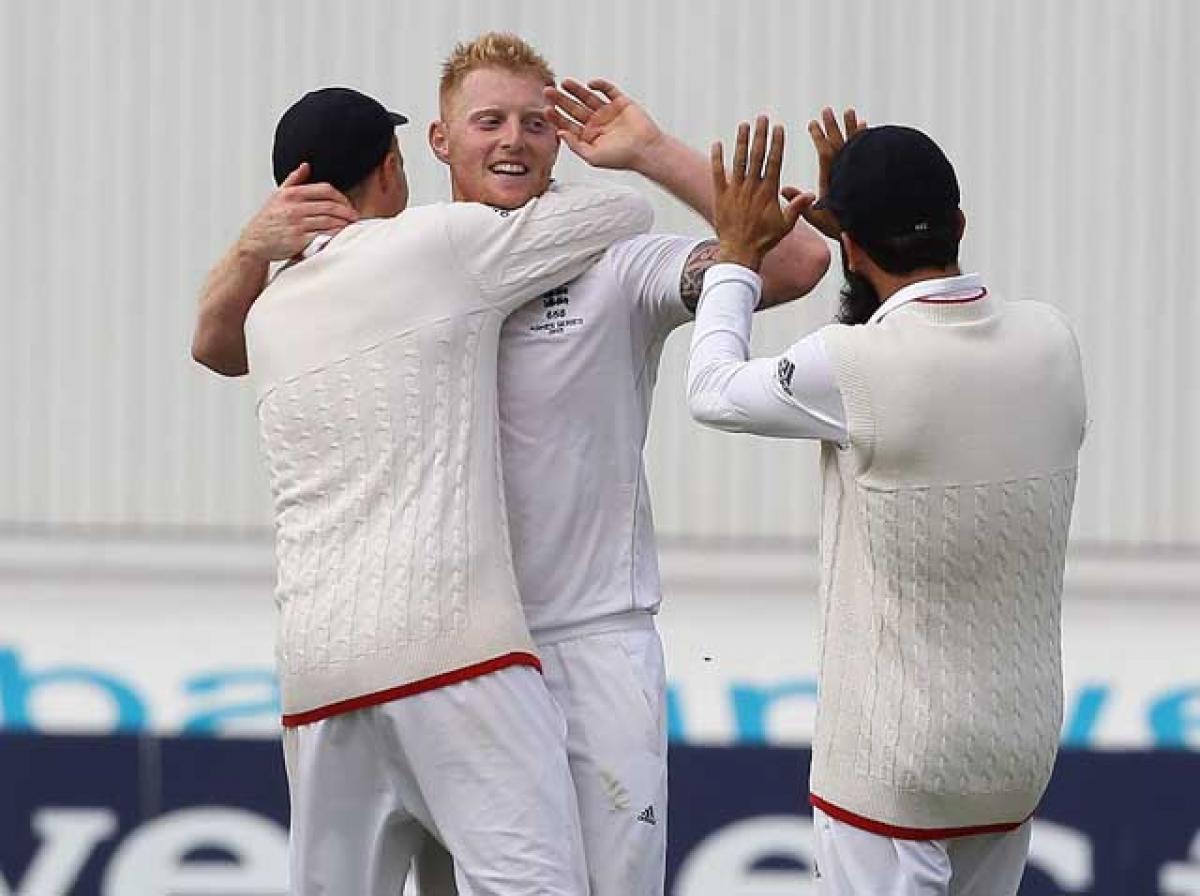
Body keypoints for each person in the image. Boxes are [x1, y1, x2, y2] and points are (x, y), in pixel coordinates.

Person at [193, 33, 831, 896]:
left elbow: (791, 263)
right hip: (450, 661)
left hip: (585, 641)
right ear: (435, 143)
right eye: (488, 120)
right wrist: (248, 248)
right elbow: (225, 347)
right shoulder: (400, 263)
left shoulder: (614, 268)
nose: (515, 140)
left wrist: (648, 152)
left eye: (537, 122)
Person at [224, 84, 652, 896]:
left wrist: (252, 252)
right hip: (456, 658)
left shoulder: (266, 315)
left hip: (318, 680)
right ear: (391, 168)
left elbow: (210, 340)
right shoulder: (436, 244)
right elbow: (623, 216)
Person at [687, 113, 1086, 895]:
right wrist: (857, 233)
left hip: (892, 769)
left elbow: (711, 391)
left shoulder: (854, 365)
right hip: (1014, 758)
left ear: (855, 249)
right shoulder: (1053, 339)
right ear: (960, 223)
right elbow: (914, 362)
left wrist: (736, 256)